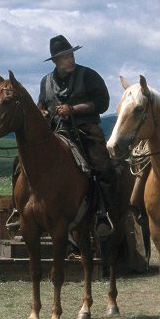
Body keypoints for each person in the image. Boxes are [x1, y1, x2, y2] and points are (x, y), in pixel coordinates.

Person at [37, 34, 114, 240]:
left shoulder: (88, 75)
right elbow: (42, 105)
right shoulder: (46, 81)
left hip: (85, 130)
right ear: (56, 61)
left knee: (102, 168)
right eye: (65, 57)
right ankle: (26, 212)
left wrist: (73, 109)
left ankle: (104, 213)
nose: (70, 59)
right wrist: (43, 112)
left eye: (71, 55)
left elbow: (102, 103)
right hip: (56, 132)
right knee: (27, 165)